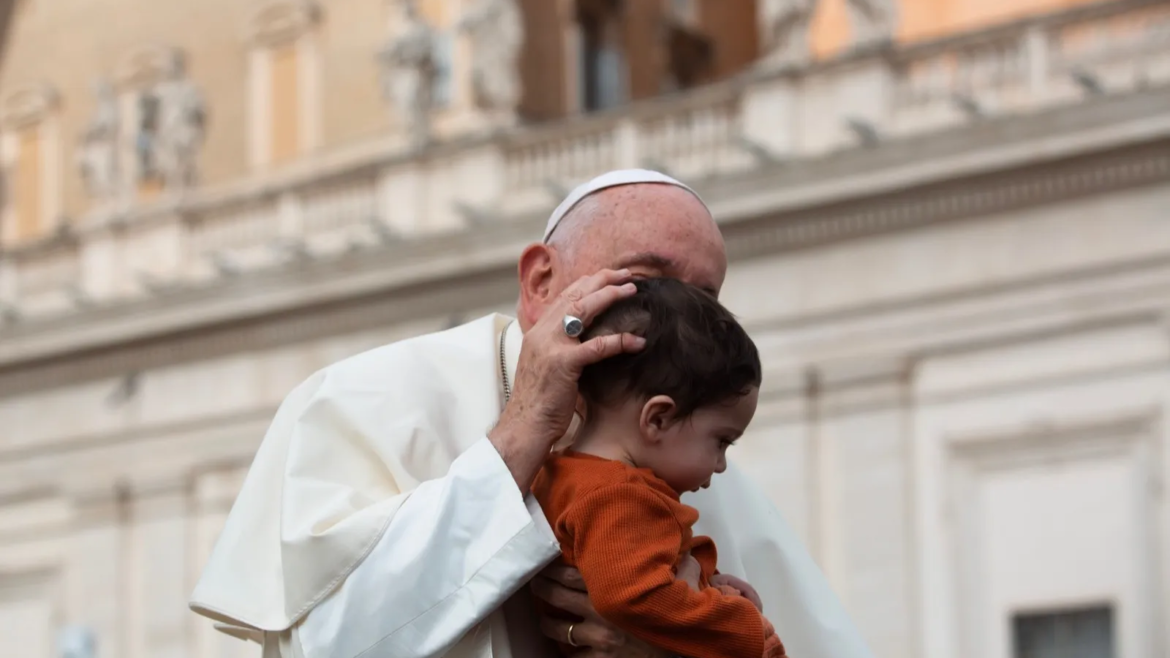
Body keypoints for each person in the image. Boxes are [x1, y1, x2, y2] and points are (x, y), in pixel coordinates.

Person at [189, 169, 876, 658]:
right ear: (541, 281)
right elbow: (331, 642)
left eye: (707, 300)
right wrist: (517, 438)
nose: (681, 321)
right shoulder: (369, 400)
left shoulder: (697, 465)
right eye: (648, 281)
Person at [532, 277, 787, 658]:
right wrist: (746, 632)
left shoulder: (560, 473)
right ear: (658, 419)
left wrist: (711, 585)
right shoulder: (618, 495)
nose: (720, 466)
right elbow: (637, 598)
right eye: (720, 441)